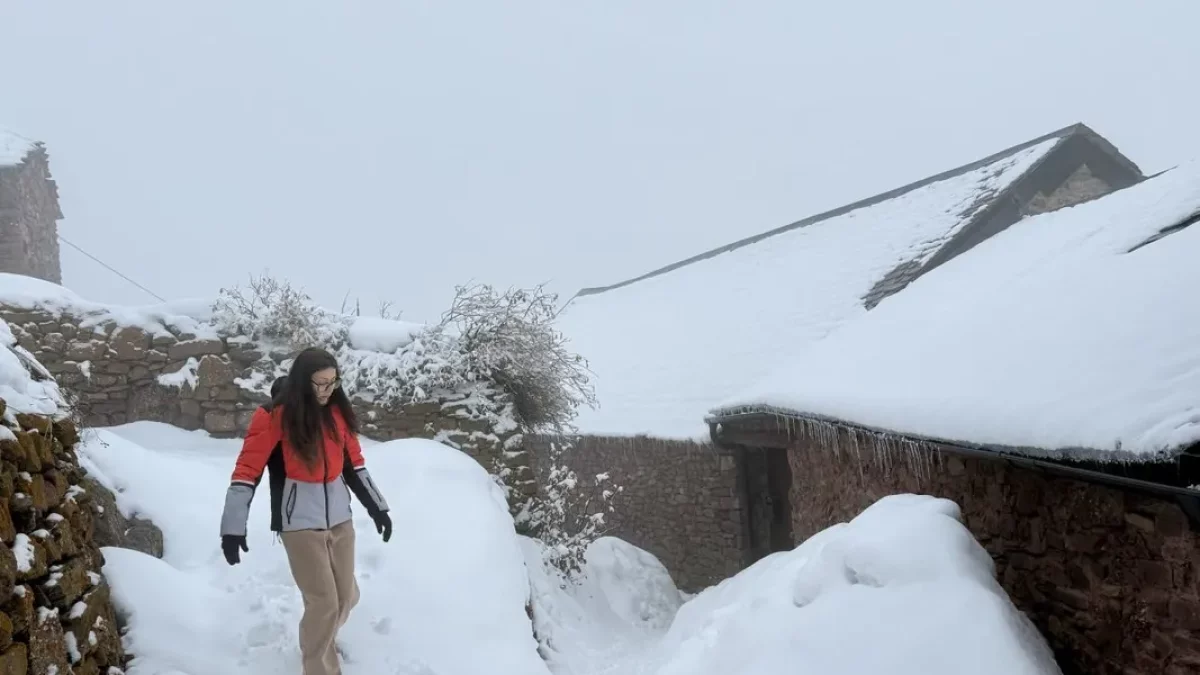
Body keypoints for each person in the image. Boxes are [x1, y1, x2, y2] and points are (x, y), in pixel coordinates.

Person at [219, 347, 392, 675]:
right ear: (302, 381)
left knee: (346, 597)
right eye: (320, 383)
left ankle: (320, 639)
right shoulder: (275, 415)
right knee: (324, 602)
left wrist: (377, 508)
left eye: (333, 382)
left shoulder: (337, 413)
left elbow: (355, 464)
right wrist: (233, 526)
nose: (328, 390)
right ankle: (319, 665)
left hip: (340, 518)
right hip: (299, 522)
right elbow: (246, 471)